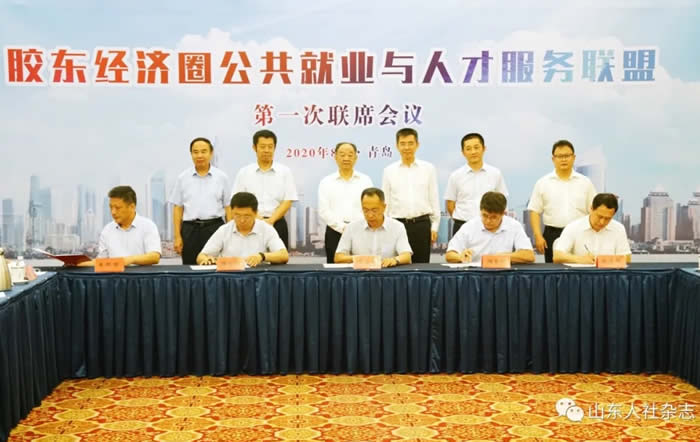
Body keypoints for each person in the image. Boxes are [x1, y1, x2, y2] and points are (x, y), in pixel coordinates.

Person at [527, 140, 596, 262]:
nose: (563, 159)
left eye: (567, 156)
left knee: (581, 266)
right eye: (559, 156)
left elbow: (594, 210)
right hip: (552, 234)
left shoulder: (585, 182)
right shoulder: (543, 183)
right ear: (553, 159)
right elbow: (534, 211)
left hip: (579, 233)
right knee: (553, 269)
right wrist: (538, 235)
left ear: (573, 157)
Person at [231, 130, 298, 249]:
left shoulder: (284, 172)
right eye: (262, 146)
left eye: (270, 147)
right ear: (254, 148)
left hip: (277, 223)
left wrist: (271, 220)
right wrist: (258, 219)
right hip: (250, 223)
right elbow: (238, 201)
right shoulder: (244, 172)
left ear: (274, 148)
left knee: (278, 258)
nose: (266, 150)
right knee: (251, 257)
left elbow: (288, 200)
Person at [169, 137, 231, 265]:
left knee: (215, 266)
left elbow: (228, 207)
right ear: (191, 154)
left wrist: (230, 235)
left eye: (204, 151)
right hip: (190, 229)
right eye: (195, 152)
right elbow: (178, 208)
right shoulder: (183, 178)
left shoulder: (222, 177)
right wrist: (177, 236)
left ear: (211, 153)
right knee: (190, 266)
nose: (200, 155)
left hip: (214, 228)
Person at [381, 127, 439, 263]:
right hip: (397, 225)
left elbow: (434, 198)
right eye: (403, 143)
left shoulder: (428, 169)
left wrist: (435, 226)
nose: (406, 147)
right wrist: (386, 227)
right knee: (397, 265)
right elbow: (386, 202)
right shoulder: (389, 171)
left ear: (417, 145)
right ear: (397, 146)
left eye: (410, 143)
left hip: (421, 225)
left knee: (421, 266)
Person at [196, 192, 289, 266]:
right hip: (230, 276)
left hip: (257, 276)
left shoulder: (266, 229)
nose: (242, 220)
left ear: (256, 213)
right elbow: (201, 256)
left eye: (247, 216)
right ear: (231, 212)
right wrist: (206, 259)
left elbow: (284, 255)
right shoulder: (224, 230)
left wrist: (262, 256)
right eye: (237, 215)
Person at [318, 142, 373, 263]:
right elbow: (324, 210)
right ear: (335, 157)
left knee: (362, 266)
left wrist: (355, 227)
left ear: (356, 157)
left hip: (361, 232)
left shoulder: (365, 180)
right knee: (335, 269)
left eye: (350, 155)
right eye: (342, 155)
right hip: (335, 232)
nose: (346, 158)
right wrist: (342, 227)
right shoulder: (326, 182)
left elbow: (370, 206)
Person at [444, 132, 508, 237]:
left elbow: (502, 201)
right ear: (463, 152)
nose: (473, 152)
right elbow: (450, 204)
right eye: (468, 149)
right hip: (462, 226)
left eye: (476, 147)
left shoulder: (495, 173)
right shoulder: (455, 176)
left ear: (484, 149)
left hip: (490, 227)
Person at [79, 186, 161, 266]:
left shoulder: (148, 226)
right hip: (114, 275)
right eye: (111, 207)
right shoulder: (107, 230)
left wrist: (128, 260)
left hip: (141, 275)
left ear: (132, 207)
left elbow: (154, 257)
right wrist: (79, 264)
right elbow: (102, 261)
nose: (113, 212)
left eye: (117, 208)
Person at [446, 192, 534, 264]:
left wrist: (502, 257)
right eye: (484, 215)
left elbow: (529, 255)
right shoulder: (469, 226)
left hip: (503, 274)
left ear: (503, 214)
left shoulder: (514, 226)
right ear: (480, 211)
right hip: (475, 274)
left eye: (493, 217)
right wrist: (460, 257)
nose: (488, 220)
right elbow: (449, 254)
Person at [334, 187, 412, 268]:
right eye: (365, 210)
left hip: (387, 272)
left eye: (374, 210)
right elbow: (338, 258)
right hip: (360, 273)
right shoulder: (351, 227)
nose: (370, 215)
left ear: (384, 207)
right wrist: (360, 259)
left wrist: (394, 260)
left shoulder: (397, 227)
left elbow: (406, 256)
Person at [553, 193, 631, 264]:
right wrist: (580, 259)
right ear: (591, 209)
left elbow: (627, 258)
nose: (602, 222)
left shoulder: (619, 228)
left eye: (608, 218)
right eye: (599, 216)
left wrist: (600, 261)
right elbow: (557, 256)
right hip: (580, 273)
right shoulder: (573, 227)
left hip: (608, 273)